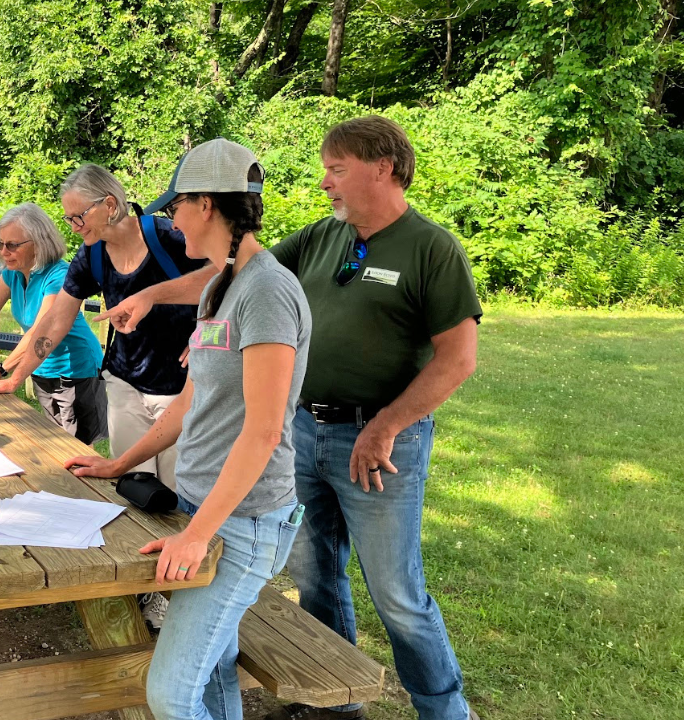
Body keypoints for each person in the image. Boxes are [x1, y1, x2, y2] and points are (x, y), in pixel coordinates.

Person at [102, 116, 482, 720]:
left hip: (377, 442)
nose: (325, 182)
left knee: (397, 595)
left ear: (383, 168)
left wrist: (385, 425)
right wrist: (154, 300)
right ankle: (336, 704)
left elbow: (459, 357)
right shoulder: (319, 238)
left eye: (337, 169)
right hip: (305, 430)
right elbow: (227, 275)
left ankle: (445, 710)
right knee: (318, 576)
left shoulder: (430, 247)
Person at [64, 138, 311, 720]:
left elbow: (264, 431)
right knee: (215, 670)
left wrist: (198, 533)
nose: (168, 217)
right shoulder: (219, 287)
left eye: (175, 205)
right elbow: (189, 403)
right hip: (206, 508)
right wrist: (118, 464)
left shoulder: (268, 291)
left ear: (206, 205)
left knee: (170, 694)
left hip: (243, 523)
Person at [0, 163, 214, 490]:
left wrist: (205, 335)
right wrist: (15, 378)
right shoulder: (91, 255)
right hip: (125, 383)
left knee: (175, 488)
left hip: (180, 388)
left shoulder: (169, 237)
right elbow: (56, 320)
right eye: (69, 219)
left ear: (110, 205)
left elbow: (228, 279)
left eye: (79, 216)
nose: (74, 227)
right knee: (132, 488)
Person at [0, 203, 107, 443]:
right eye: (0, 243)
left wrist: (0, 370)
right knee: (54, 443)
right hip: (39, 368)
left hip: (76, 372)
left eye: (12, 245)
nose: (4, 251)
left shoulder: (59, 276)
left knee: (74, 449)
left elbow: (39, 331)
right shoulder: (13, 271)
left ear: (39, 243)